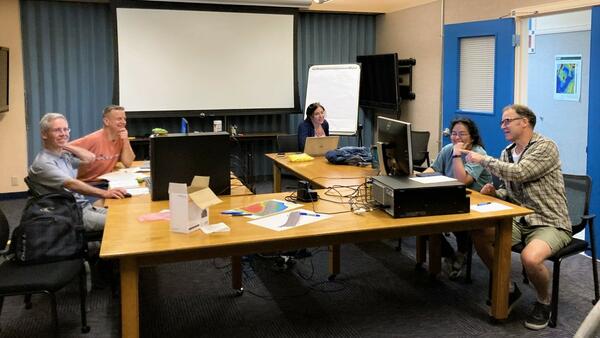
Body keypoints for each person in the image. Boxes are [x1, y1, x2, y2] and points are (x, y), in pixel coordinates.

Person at [461, 104, 571, 330]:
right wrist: (496, 192)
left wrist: (483, 160)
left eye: (507, 121)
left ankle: (543, 301)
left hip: (549, 221)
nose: (503, 126)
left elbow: (521, 173)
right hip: (521, 219)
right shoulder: (507, 152)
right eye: (502, 122)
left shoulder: (545, 147)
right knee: (480, 232)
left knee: (530, 258)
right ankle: (509, 287)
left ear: (525, 121)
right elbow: (513, 190)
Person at [28, 113, 128, 233]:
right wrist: (105, 193)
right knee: (121, 222)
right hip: (70, 214)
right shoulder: (43, 163)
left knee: (125, 215)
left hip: (82, 207)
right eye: (57, 130)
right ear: (44, 134)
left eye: (65, 129)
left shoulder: (63, 156)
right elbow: (72, 184)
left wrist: (65, 145)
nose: (63, 133)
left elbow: (90, 158)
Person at [423, 117, 492, 279]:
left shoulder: (477, 154)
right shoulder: (448, 148)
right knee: (420, 221)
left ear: (472, 137)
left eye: (462, 134)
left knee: (450, 220)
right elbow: (433, 169)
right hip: (451, 198)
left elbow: (463, 181)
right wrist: (417, 179)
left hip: (475, 205)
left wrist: (456, 154)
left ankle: (462, 252)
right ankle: (451, 255)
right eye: (454, 134)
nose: (457, 138)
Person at [69, 105, 135, 183]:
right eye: (119, 119)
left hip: (107, 182)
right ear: (106, 121)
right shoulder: (93, 139)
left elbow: (128, 163)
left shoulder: (121, 138)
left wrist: (126, 140)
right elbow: (64, 147)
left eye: (124, 119)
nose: (123, 122)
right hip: (89, 184)